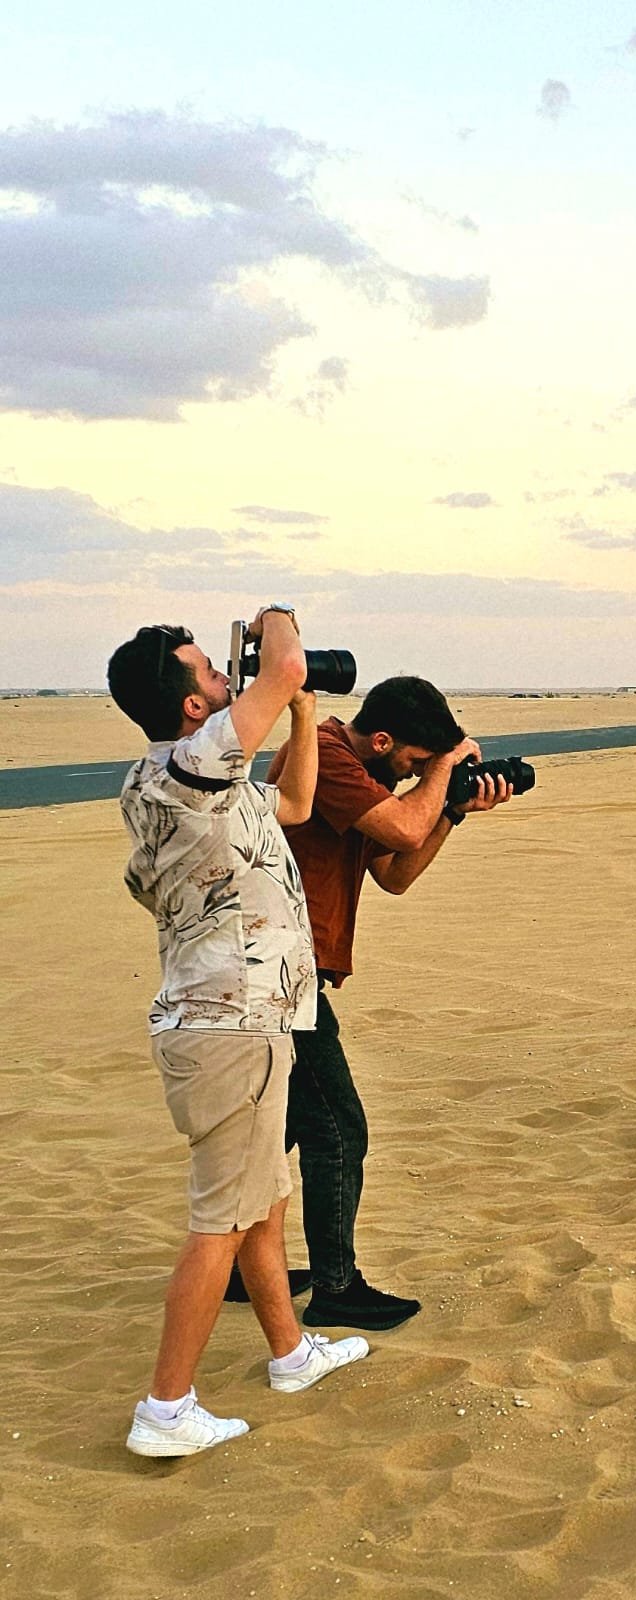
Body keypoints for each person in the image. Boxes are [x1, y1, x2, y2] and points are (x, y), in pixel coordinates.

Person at [108, 607, 369, 1459]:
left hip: (237, 1020)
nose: (229, 681)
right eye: (213, 676)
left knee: (261, 1203)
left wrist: (299, 711)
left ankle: (290, 1352)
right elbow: (284, 666)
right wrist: (276, 624)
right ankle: (165, 1407)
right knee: (222, 1217)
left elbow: (293, 801)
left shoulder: (186, 780)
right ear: (191, 710)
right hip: (232, 1024)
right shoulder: (191, 766)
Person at [248, 675, 511, 1332]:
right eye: (415, 762)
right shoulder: (330, 753)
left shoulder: (360, 777)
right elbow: (400, 825)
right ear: (386, 740)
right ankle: (336, 1286)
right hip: (275, 969)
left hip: (283, 970)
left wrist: (450, 810)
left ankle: (234, 1262)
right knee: (338, 1125)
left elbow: (396, 871)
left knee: (274, 1128)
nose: (415, 774)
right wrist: (447, 771)